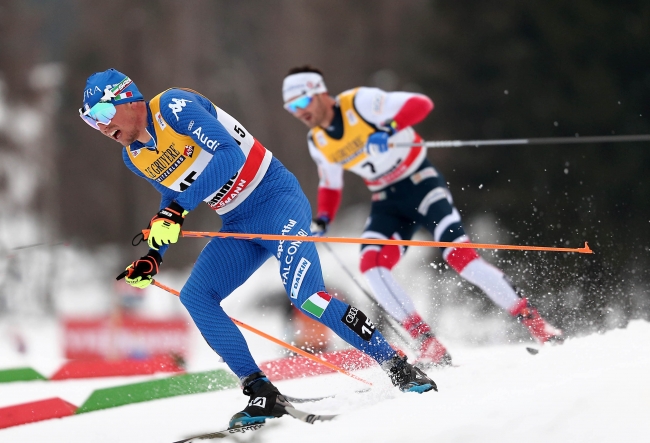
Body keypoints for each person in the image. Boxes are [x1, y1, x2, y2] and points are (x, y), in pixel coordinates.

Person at [79, 68, 436, 428]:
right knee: (196, 296)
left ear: (129, 99)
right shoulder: (135, 156)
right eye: (92, 122)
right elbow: (172, 199)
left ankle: (398, 366)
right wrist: (153, 257)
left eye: (104, 114)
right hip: (238, 223)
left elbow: (229, 156)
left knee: (307, 297)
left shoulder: (173, 106)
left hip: (276, 200)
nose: (103, 128)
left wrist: (176, 210)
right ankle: (260, 391)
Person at [282, 66, 563, 366]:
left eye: (301, 102)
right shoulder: (318, 142)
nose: (299, 112)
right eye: (291, 108)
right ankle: (428, 343)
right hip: (387, 201)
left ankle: (538, 325)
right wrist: (323, 219)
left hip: (420, 183)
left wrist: (388, 128)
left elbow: (420, 105)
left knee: (460, 257)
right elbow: (330, 184)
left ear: (319, 92)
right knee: (372, 264)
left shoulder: (359, 103)